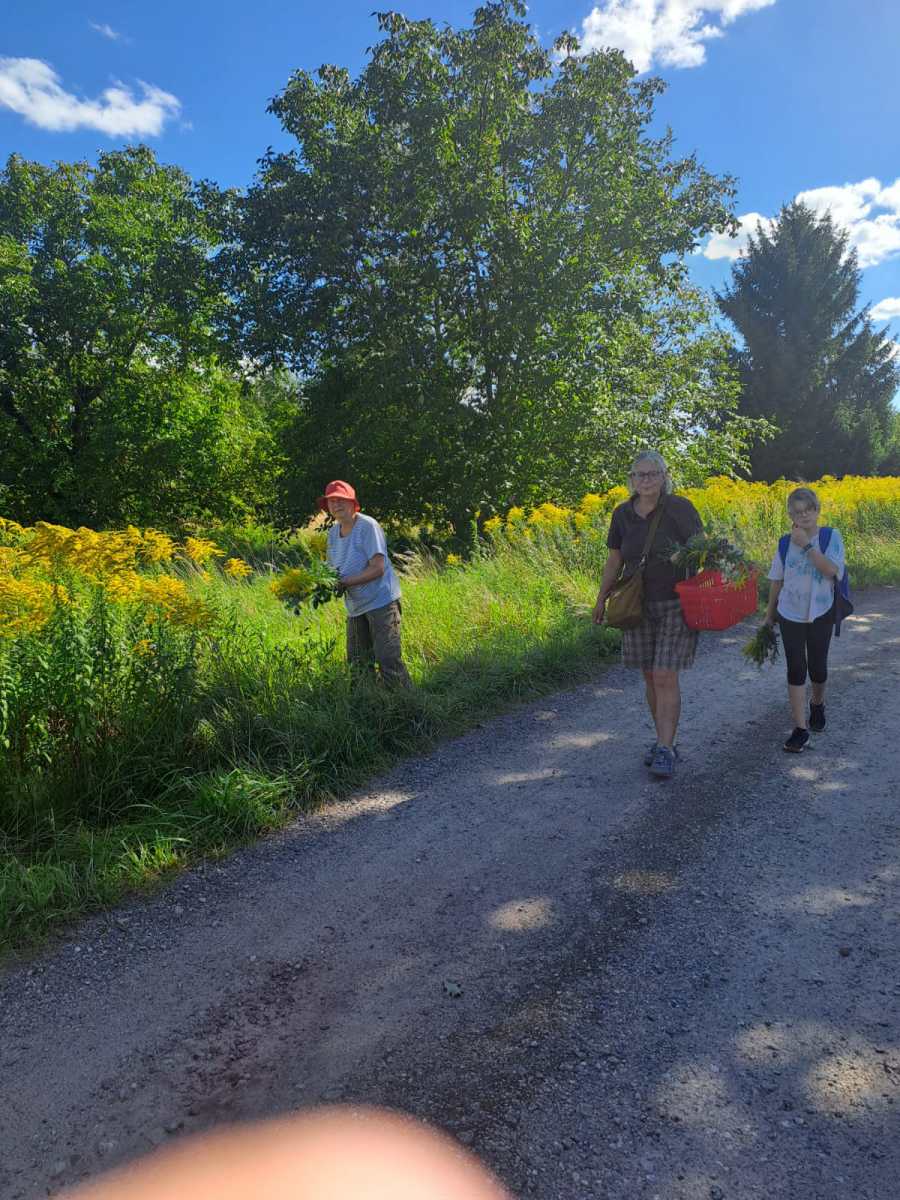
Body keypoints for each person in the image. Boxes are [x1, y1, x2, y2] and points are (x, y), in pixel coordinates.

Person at [591, 451, 703, 779]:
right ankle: (663, 740)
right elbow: (615, 561)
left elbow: (702, 548)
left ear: (664, 477)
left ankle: (666, 748)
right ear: (631, 480)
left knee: (665, 675)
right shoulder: (622, 515)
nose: (646, 480)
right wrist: (601, 599)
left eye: (653, 474)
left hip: (676, 603)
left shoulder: (680, 508)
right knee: (651, 676)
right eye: (639, 475)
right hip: (637, 606)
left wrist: (689, 558)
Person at [763, 486, 844, 753]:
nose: (804, 515)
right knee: (796, 668)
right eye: (798, 512)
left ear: (817, 511)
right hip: (790, 613)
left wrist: (807, 545)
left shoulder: (830, 537)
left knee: (817, 668)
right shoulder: (784, 543)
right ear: (791, 515)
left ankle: (817, 703)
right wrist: (769, 614)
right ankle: (800, 729)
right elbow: (777, 580)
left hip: (821, 612)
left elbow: (831, 570)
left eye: (809, 509)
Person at [320, 480, 412, 688]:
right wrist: (322, 581)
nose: (336, 504)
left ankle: (405, 704)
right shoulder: (333, 533)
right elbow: (332, 570)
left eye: (341, 499)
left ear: (353, 502)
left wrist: (345, 582)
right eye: (332, 501)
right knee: (358, 664)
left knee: (388, 659)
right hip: (355, 606)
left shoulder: (367, 526)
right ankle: (369, 704)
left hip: (381, 601)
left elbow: (378, 568)